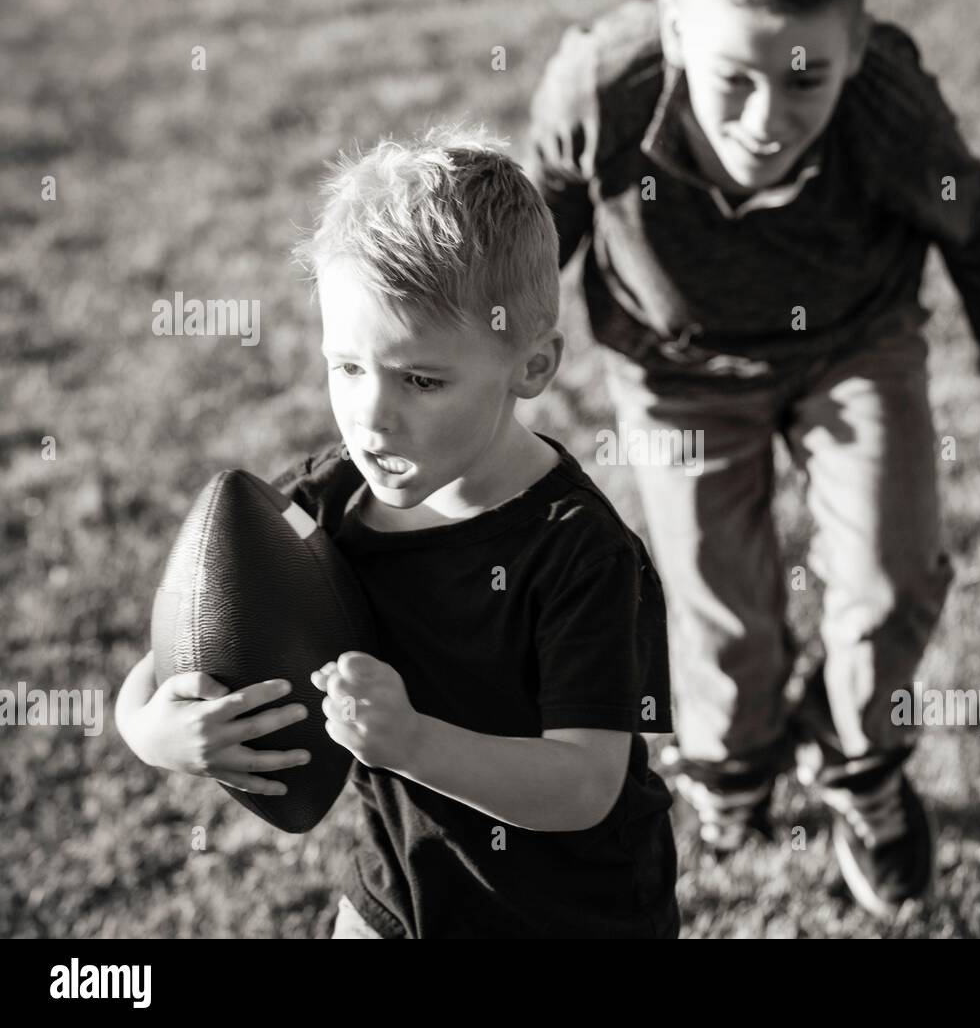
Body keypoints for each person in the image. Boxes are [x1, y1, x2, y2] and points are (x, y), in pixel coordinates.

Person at [525, 0, 980, 917]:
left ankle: (855, 754)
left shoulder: (891, 108)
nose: (767, 116)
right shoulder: (601, 86)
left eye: (804, 77)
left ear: (855, 52)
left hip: (854, 345)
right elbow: (534, 240)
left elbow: (975, 226)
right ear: (676, 35)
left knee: (894, 569)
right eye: (735, 76)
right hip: (677, 366)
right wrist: (497, 371)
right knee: (716, 601)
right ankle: (730, 760)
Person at [115, 128, 679, 938]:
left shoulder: (575, 550)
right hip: (403, 883)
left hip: (579, 907)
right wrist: (153, 728)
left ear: (532, 366)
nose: (372, 418)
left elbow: (586, 782)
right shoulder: (327, 501)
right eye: (347, 367)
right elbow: (187, 642)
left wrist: (414, 742)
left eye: (420, 379)